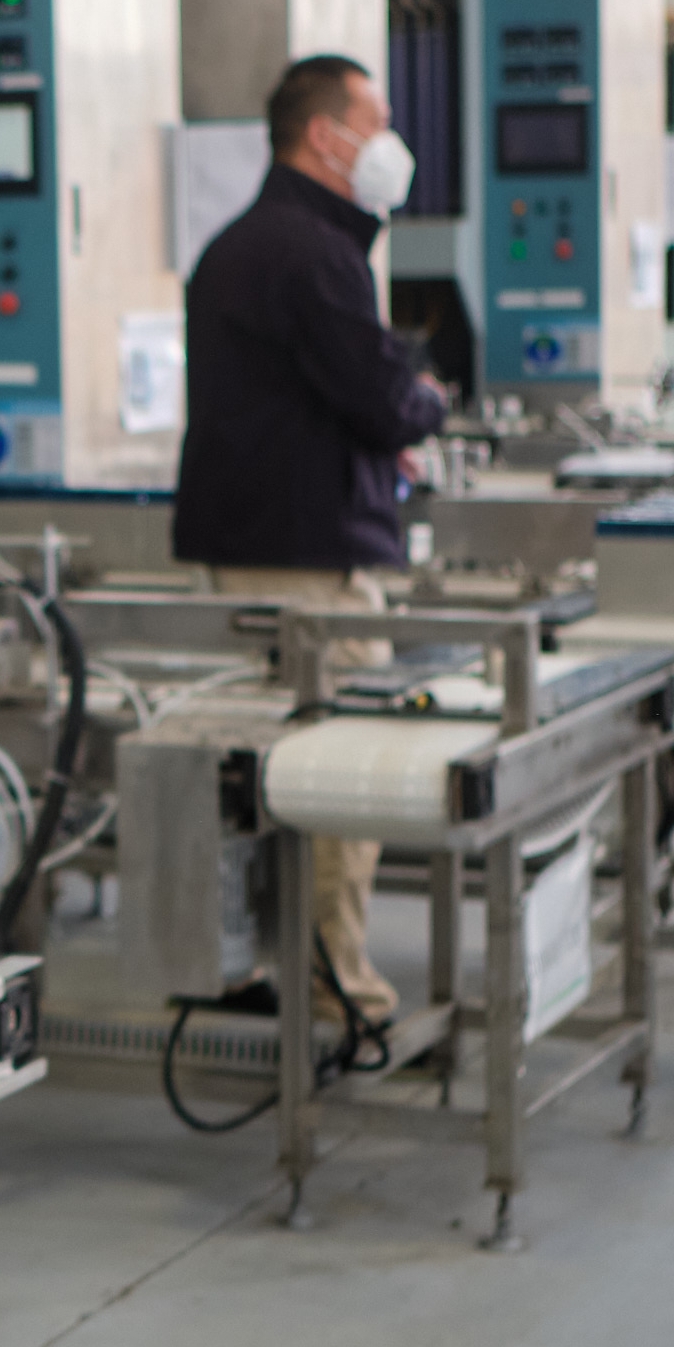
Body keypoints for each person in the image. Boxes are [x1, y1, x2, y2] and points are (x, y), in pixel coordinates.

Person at [172, 53, 451, 1023]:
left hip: (253, 550)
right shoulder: (314, 253)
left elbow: (308, 401)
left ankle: (243, 967)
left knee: (256, 774)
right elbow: (378, 394)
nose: (388, 143)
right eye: (374, 123)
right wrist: (424, 410)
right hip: (309, 570)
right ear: (326, 138)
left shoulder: (243, 243)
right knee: (341, 781)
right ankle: (336, 988)